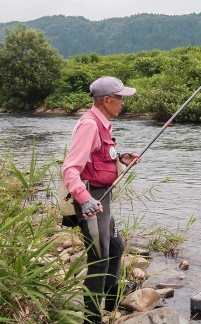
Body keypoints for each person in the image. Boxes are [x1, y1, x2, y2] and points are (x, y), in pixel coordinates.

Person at [61, 76, 141, 324]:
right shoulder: (90, 125)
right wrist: (85, 200)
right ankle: (92, 319)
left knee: (115, 247)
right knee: (100, 257)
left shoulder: (102, 123)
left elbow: (98, 159)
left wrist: (122, 160)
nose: (123, 103)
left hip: (101, 197)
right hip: (92, 200)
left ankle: (110, 299)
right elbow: (70, 169)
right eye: (120, 98)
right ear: (107, 100)